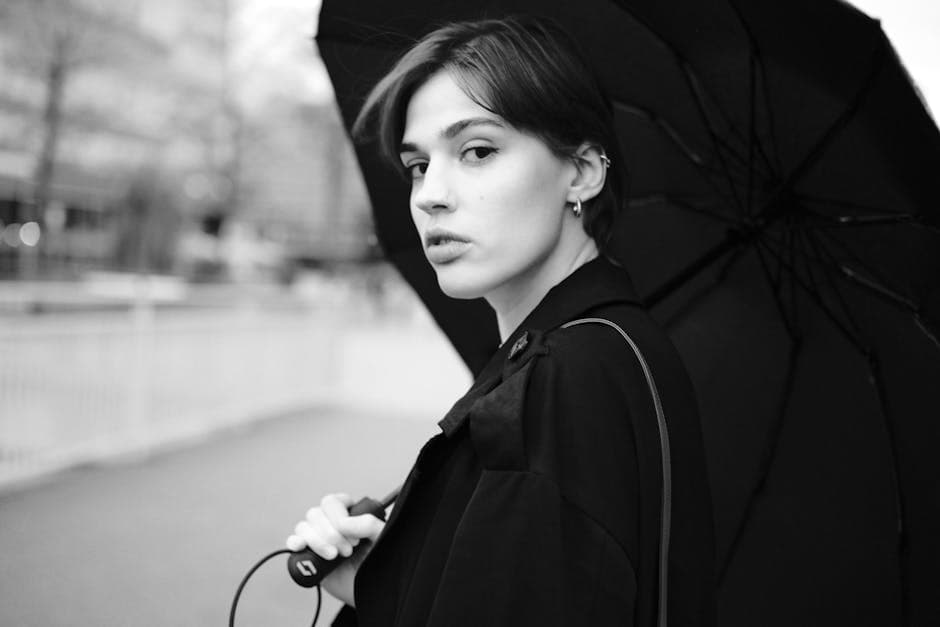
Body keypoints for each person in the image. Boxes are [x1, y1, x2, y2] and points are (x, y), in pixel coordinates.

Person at [286, 16, 716, 626]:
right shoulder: (612, 352)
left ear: (584, 172)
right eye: (417, 165)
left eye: (478, 151)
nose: (431, 194)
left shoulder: (560, 381)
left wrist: (384, 596)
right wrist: (391, 570)